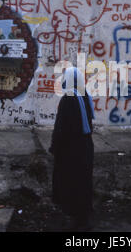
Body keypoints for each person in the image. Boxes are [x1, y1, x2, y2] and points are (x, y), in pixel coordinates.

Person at [49, 67, 95, 231]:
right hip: (86, 147)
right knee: (84, 182)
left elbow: (61, 127)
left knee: (70, 182)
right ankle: (84, 217)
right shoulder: (85, 95)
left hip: (71, 149)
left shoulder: (68, 98)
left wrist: (54, 147)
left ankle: (75, 219)